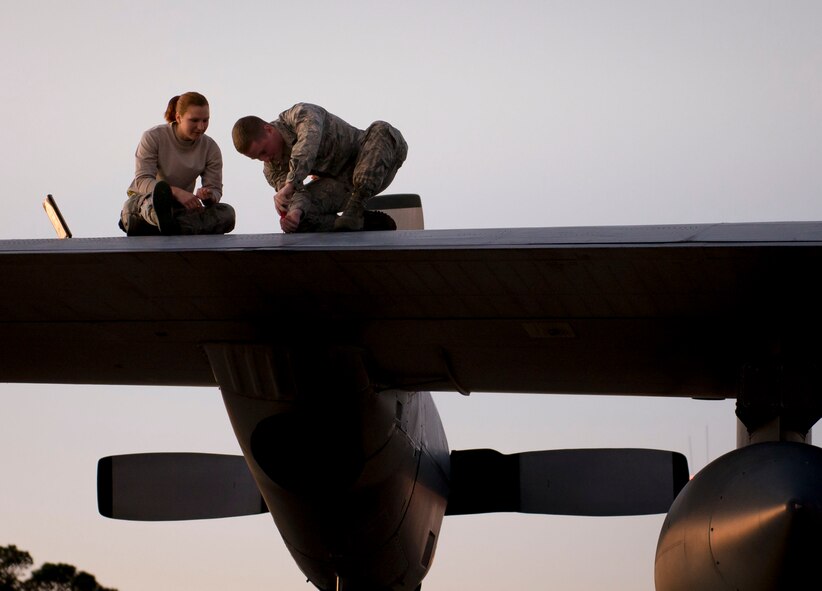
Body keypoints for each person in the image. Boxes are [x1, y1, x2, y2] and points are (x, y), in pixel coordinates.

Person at [232, 103, 408, 233]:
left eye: (264, 151)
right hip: (341, 184)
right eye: (258, 158)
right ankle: (361, 224)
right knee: (301, 219)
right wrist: (294, 213)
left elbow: (308, 143)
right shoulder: (271, 168)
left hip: (372, 160)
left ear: (269, 130)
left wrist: (291, 182)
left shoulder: (300, 114)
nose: (266, 158)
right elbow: (296, 195)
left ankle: (356, 208)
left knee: (381, 128)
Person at [119, 92, 236, 236]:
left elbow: (215, 189)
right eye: (194, 120)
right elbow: (142, 180)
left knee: (227, 213)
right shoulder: (154, 137)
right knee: (153, 206)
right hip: (145, 204)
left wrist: (208, 196)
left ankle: (173, 227)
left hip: (181, 211)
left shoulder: (210, 148)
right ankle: (166, 223)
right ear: (178, 117)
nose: (200, 127)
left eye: (205, 120)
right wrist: (176, 192)